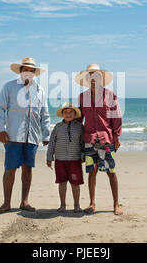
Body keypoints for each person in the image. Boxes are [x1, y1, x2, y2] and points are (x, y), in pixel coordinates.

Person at [0, 57, 50, 214]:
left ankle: (24, 202)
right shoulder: (9, 87)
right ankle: (6, 203)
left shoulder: (40, 90)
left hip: (32, 137)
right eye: (25, 69)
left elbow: (44, 114)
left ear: (34, 73)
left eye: (31, 70)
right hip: (13, 136)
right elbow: (0, 109)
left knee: (28, 169)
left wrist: (46, 135)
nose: (28, 72)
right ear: (20, 71)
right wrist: (1, 129)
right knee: (10, 169)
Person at [75, 63, 123, 215]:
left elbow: (116, 117)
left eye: (96, 76)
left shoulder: (110, 95)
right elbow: (79, 119)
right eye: (90, 76)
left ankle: (116, 204)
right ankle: (92, 203)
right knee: (92, 172)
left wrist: (116, 136)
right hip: (89, 139)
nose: (93, 78)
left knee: (111, 171)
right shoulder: (83, 97)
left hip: (106, 139)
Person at [46, 102, 84, 213]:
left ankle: (76, 205)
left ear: (75, 114)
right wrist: (49, 157)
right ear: (62, 114)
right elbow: (52, 143)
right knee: (62, 183)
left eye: (71, 112)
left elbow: (82, 143)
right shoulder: (58, 127)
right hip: (60, 160)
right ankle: (62, 205)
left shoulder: (79, 127)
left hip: (75, 160)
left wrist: (83, 156)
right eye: (66, 112)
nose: (68, 114)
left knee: (75, 184)